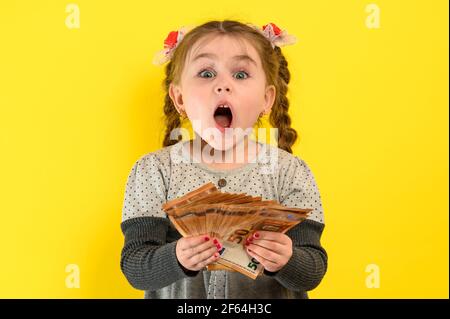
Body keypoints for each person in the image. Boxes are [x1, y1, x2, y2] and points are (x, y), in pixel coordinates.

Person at [120, 20, 327, 299]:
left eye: (241, 75)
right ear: (179, 98)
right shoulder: (153, 170)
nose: (223, 85)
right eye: (206, 73)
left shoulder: (290, 171)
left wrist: (287, 260)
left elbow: (313, 271)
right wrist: (177, 258)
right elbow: (135, 267)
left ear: (267, 98)